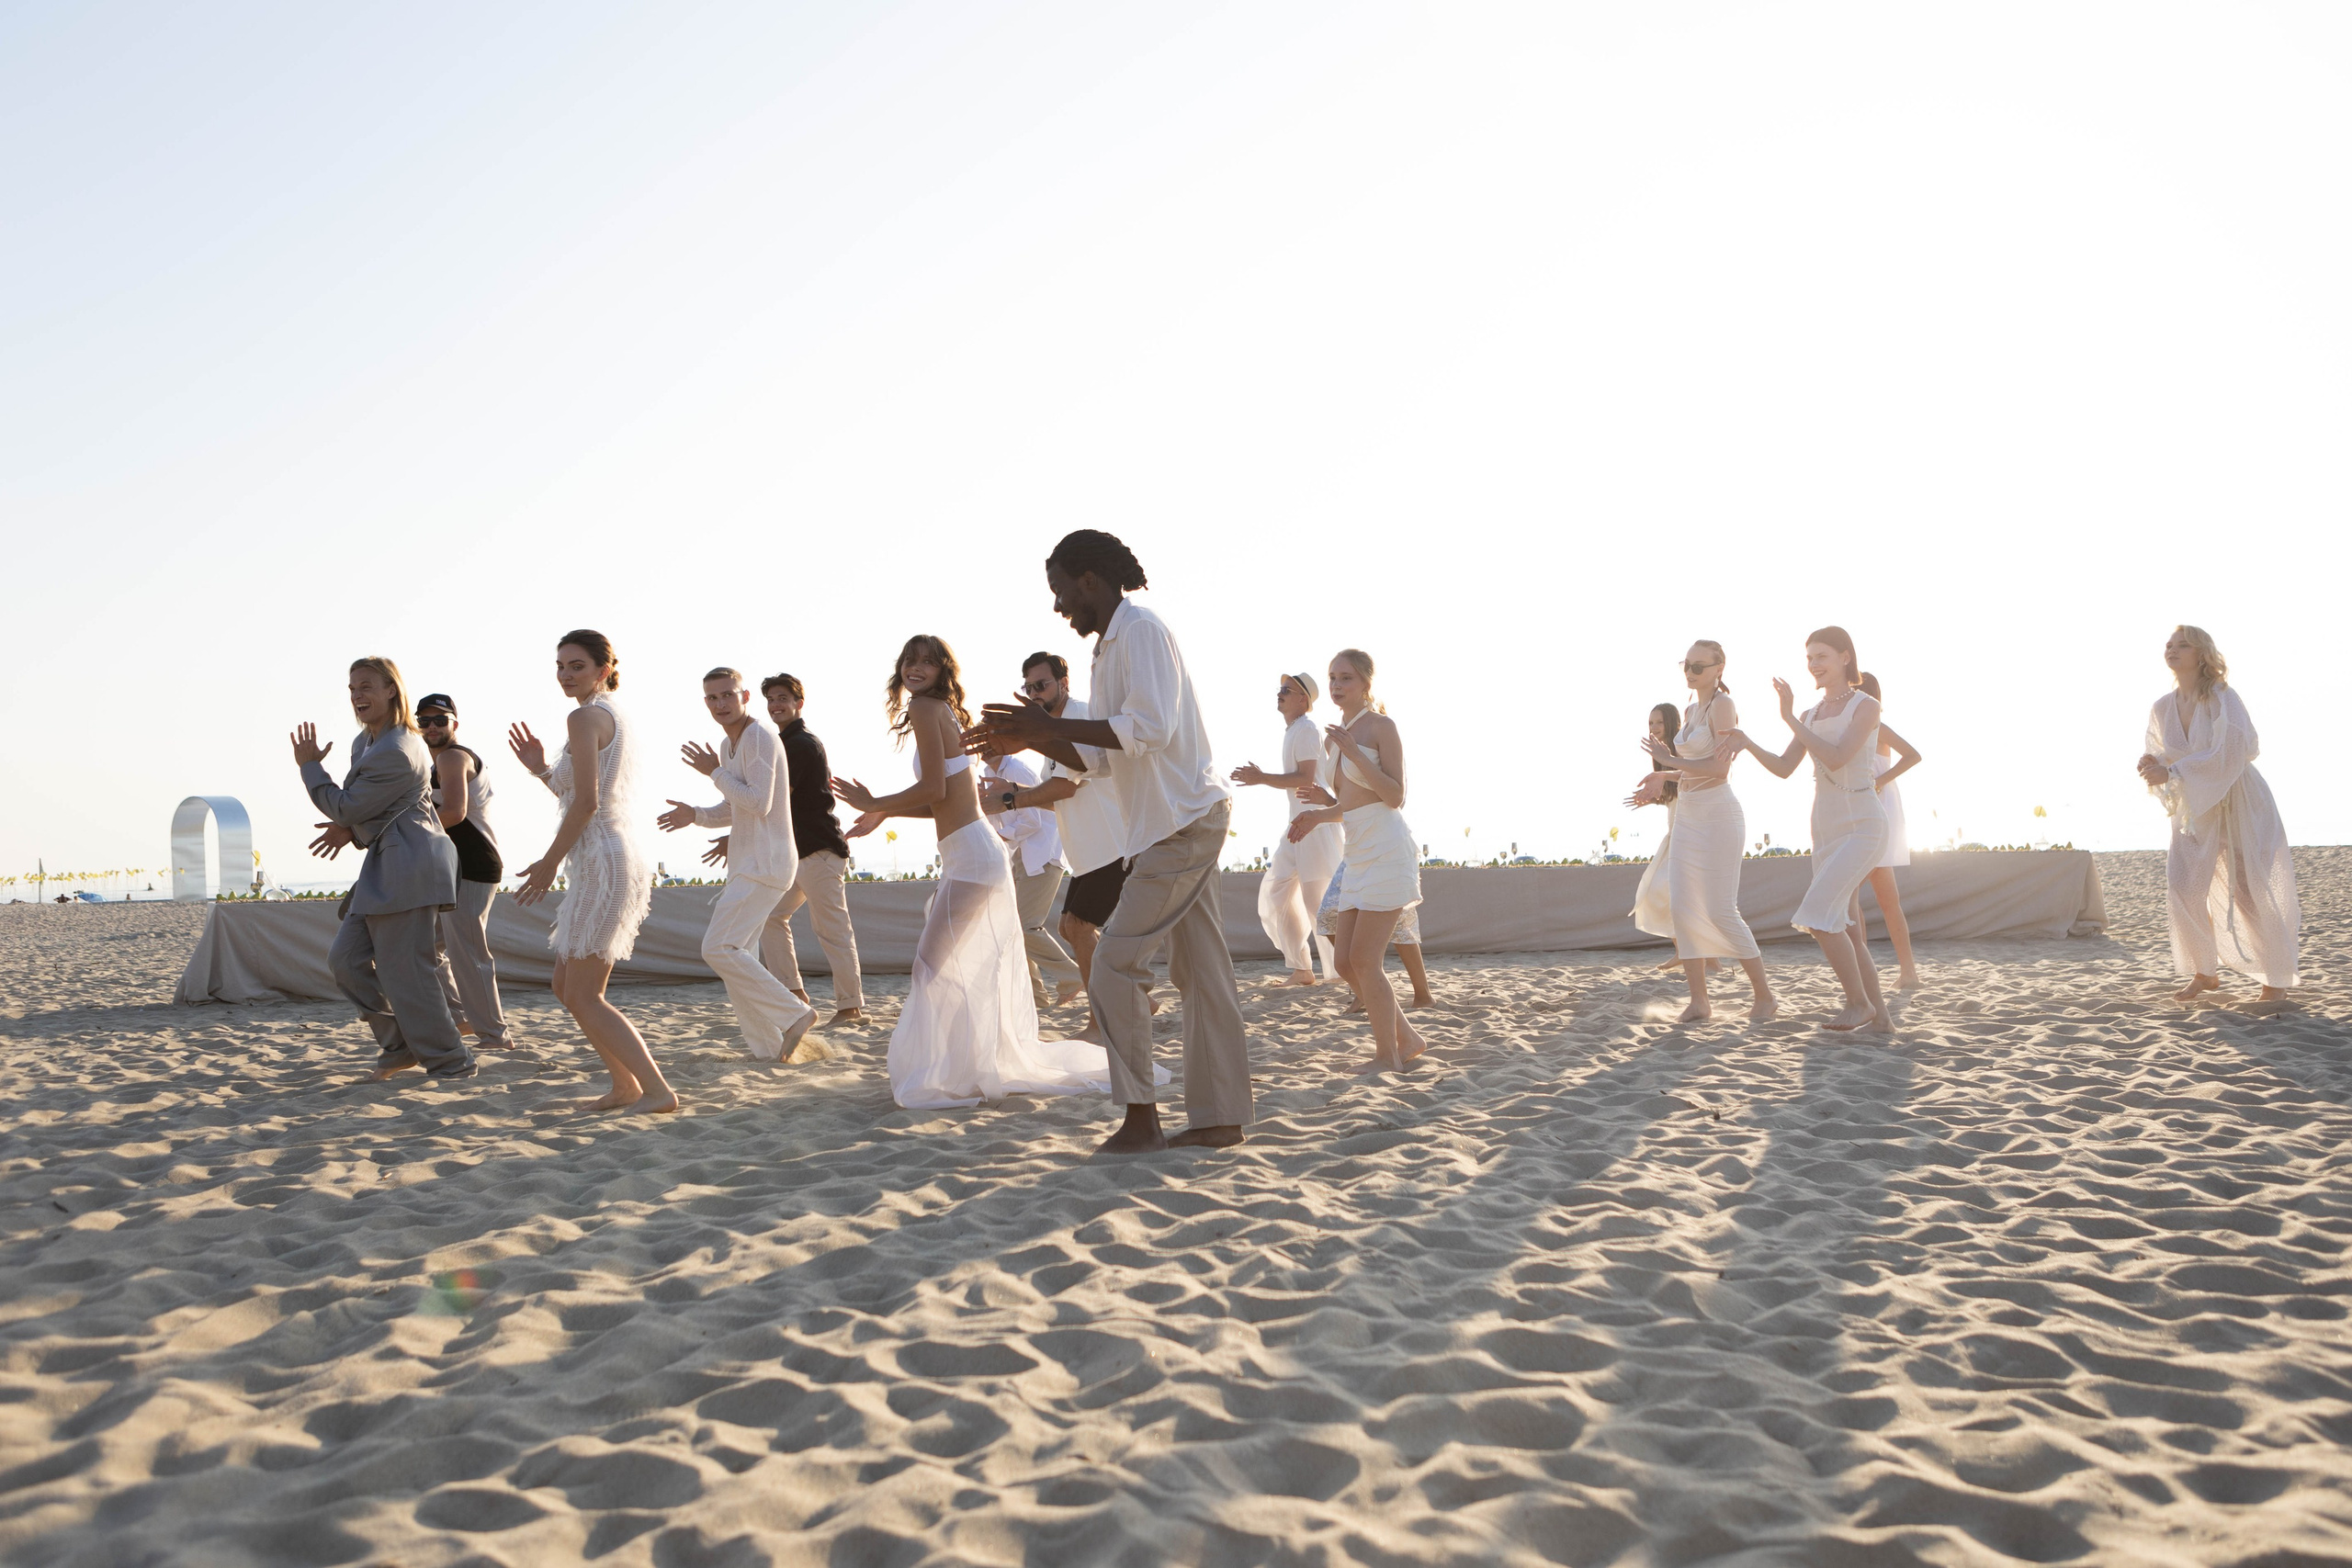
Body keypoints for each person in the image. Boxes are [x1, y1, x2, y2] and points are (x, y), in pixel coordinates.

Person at [965, 532, 1251, 1155]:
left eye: (1061, 590)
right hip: (1165, 825)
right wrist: (1030, 738)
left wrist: (1047, 725)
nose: (1059, 605)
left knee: (1116, 961)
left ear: (1089, 580)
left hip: (1184, 819)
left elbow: (1148, 728)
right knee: (1201, 971)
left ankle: (1141, 1118)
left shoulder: (1141, 630)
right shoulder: (1107, 650)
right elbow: (1096, 756)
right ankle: (1220, 1117)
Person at [833, 636, 1142, 1109]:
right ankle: (962, 1064)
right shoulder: (944, 712)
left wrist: (877, 802)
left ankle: (949, 1069)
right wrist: (888, 813)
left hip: (973, 857)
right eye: (910, 662)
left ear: (942, 670)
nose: (916, 669)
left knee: (930, 966)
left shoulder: (924, 709)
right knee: (953, 965)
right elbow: (952, 800)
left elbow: (934, 786)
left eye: (927, 662)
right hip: (971, 851)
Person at [507, 630, 677, 1112]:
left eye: (576, 666)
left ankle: (658, 1091)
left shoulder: (585, 716)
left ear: (604, 669)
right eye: (560, 666)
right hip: (601, 859)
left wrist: (547, 863)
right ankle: (625, 1087)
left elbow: (587, 802)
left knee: (584, 993)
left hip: (604, 861)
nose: (565, 674)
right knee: (567, 988)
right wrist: (541, 768)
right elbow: (574, 793)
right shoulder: (603, 715)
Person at [294, 657, 474, 1080]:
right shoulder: (366, 744)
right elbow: (378, 808)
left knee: (409, 972)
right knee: (346, 961)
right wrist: (353, 831)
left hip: (410, 866)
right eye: (352, 688)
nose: (357, 695)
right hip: (386, 866)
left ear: (391, 689)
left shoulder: (396, 748)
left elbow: (347, 805)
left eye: (367, 687)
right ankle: (398, 1047)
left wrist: (309, 767)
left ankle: (451, 1061)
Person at [658, 669, 823, 1065]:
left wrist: (712, 772)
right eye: (712, 698)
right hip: (750, 864)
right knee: (737, 961)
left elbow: (759, 802)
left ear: (744, 695)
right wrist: (694, 814)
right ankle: (769, 1050)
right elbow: (735, 808)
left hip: (765, 864)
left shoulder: (760, 736)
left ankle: (795, 1013)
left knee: (718, 948)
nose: (720, 704)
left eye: (727, 695)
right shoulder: (728, 744)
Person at [1733, 626, 1892, 1032]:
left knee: (1820, 917)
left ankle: (1858, 1004)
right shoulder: (1810, 714)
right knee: (1850, 930)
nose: (1813, 665)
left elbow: (1838, 758)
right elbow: (1786, 769)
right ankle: (1884, 1023)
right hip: (1824, 828)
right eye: (1809, 659)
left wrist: (1787, 718)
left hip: (1863, 825)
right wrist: (1748, 742)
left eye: (1821, 656)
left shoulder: (1865, 706)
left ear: (1844, 657)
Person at [2137, 625, 2299, 1004]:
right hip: (2196, 807)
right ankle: (2204, 972)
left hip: (2239, 798)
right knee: (2183, 887)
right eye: (2169, 645)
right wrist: (2154, 762)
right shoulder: (2163, 706)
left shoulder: (2223, 697)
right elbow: (2165, 751)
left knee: (2246, 892)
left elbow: (2235, 749)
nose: (2172, 650)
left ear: (2202, 653)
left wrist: (2173, 771)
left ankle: (2274, 979)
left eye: (2183, 645)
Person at [982, 651, 1136, 1044]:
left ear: (1063, 683)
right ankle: (1131, 1002)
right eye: (1028, 687)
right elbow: (1057, 798)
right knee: (1071, 928)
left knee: (1079, 927)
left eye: (1042, 685)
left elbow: (1064, 787)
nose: (1034, 693)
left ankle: (1102, 1022)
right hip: (1088, 850)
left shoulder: (1078, 719)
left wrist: (1011, 798)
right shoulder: (1052, 731)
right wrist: (1015, 794)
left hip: (1113, 844)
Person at [1283, 649, 1426, 1070]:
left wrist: (1357, 752)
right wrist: (1318, 813)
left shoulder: (1382, 727)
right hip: (1357, 853)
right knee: (1344, 960)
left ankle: (1388, 1056)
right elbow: (1351, 805)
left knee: (1366, 960)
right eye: (1332, 678)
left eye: (1345, 678)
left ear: (1365, 682)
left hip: (1387, 850)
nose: (1336, 685)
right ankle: (1409, 1038)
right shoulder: (1332, 736)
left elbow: (1395, 796)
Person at [700, 674, 867, 1025]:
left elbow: (770, 801)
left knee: (833, 928)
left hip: (819, 849)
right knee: (774, 918)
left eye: (783, 699)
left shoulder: (801, 744)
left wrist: (719, 786)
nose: (776, 705)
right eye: (772, 699)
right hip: (788, 853)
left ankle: (850, 1006)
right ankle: (792, 995)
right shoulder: (768, 740)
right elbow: (756, 806)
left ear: (798, 704)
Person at [1629, 641, 1776, 1023]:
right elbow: (1692, 768)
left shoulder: (1722, 706)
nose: (1691, 672)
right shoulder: (1692, 709)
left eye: (1699, 666)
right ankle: (1699, 1002)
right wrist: (1665, 774)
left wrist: (1668, 760)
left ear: (1718, 668)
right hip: (1689, 815)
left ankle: (1765, 997)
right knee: (1682, 907)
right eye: (1686, 666)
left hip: (1718, 815)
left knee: (1721, 909)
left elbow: (1719, 769)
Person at [413, 693, 514, 1051]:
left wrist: (403, 832)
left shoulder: (454, 757)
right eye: (424, 721)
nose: (432, 727)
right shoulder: (431, 766)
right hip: (449, 868)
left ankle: (495, 1035)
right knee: (425, 947)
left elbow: (454, 812)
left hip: (472, 865)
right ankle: (463, 1019)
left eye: (440, 719)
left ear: (455, 723)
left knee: (469, 953)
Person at [1233, 672, 1341, 987]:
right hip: (1298, 826)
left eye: (1287, 690)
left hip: (1315, 825)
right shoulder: (1295, 730)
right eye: (1280, 689)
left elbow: (1306, 778)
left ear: (1303, 700)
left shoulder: (1306, 728)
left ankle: (1341, 973)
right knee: (1277, 892)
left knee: (1318, 903)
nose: (1279, 694)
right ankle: (1302, 969)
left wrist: (1261, 777)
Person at [980, 741, 1085, 1009]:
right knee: (1013, 929)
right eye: (981, 742)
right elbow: (994, 817)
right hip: (1020, 859)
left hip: (1043, 856)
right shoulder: (985, 774)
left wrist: (998, 837)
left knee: (1026, 927)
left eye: (992, 741)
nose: (987, 747)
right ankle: (1036, 999)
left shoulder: (1017, 770)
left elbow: (1032, 821)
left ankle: (1073, 977)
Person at [1857, 672, 1925, 990]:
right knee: (1854, 896)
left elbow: (1913, 755)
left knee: (1885, 899)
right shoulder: (1846, 728)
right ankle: (1871, 969)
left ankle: (1907, 972)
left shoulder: (1877, 726)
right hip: (1854, 810)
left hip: (1878, 809)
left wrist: (1881, 780)